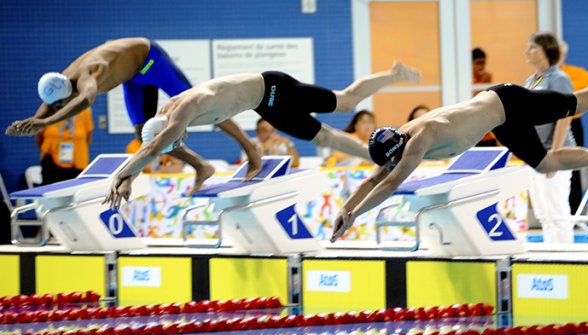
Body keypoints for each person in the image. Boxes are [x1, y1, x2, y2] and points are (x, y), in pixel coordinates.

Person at [330, 82, 588, 241]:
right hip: (500, 120)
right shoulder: (397, 141)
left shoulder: (420, 139)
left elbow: (391, 183)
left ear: (400, 147)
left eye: (395, 161)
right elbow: (373, 179)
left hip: (509, 101)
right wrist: (345, 210)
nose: (394, 164)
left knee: (578, 102)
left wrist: (356, 216)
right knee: (544, 164)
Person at [103, 62, 420, 208]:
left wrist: (119, 176)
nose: (181, 143)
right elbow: (153, 145)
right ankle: (384, 159)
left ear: (169, 131)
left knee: (345, 102)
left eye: (176, 141)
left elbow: (153, 148)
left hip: (275, 88)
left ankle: (393, 74)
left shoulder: (182, 111)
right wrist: (130, 177)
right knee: (326, 138)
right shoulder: (171, 119)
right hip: (265, 107)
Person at [6, 37, 261, 192]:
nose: (59, 107)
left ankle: (250, 148)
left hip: (150, 61)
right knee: (144, 135)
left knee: (202, 105)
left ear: (69, 91)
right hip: (133, 77)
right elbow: (50, 105)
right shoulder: (62, 81)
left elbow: (86, 100)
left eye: (61, 104)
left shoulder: (87, 76)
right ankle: (201, 165)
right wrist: (35, 121)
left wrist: (46, 122)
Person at [524, 32, 575, 244]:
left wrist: (555, 153)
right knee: (543, 213)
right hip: (536, 154)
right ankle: (550, 254)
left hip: (555, 154)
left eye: (532, 48)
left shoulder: (559, 79)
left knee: (557, 212)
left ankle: (564, 257)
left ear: (546, 51)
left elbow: (564, 118)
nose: (527, 52)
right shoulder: (531, 81)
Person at [559, 40, 588, 212]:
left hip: (572, 123)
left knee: (574, 166)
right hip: (551, 122)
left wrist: (583, 103)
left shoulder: (573, 73)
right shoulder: (544, 76)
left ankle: (574, 209)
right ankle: (559, 208)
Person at [36, 107, 93, 184]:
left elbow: (88, 139)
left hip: (77, 163)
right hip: (51, 164)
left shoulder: (84, 111)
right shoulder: (48, 110)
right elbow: (39, 139)